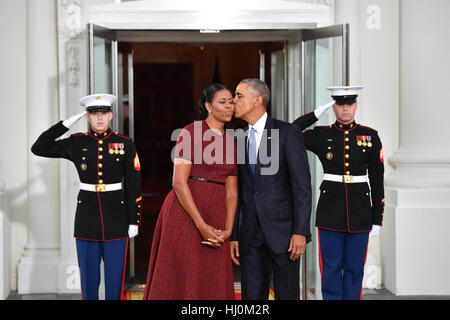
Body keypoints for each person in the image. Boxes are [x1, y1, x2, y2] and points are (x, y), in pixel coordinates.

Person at [31, 94, 142, 300]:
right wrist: (65, 125)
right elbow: (39, 148)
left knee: (115, 278)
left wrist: (133, 220)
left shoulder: (124, 143)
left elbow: (134, 184)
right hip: (87, 217)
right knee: (89, 280)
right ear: (87, 117)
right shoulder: (76, 142)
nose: (99, 118)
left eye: (103, 113)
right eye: (94, 114)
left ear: (110, 116)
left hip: (116, 217)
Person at [144, 84, 238, 300]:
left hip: (217, 215)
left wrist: (228, 229)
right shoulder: (190, 132)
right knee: (182, 273)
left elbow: (232, 192)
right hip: (185, 213)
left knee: (213, 275)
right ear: (208, 106)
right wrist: (201, 225)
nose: (229, 106)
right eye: (222, 102)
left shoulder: (233, 142)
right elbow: (178, 182)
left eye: (231, 101)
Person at [293, 86, 385, 300]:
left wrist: (377, 218)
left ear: (356, 105)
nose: (345, 109)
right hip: (330, 211)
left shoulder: (370, 136)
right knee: (331, 268)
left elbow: (377, 179)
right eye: (340, 104)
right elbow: (291, 132)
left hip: (361, 212)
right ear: (333, 106)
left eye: (350, 103)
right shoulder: (321, 135)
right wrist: (316, 114)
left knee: (355, 269)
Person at [230, 79, 312, 300]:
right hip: (250, 234)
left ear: (258, 100)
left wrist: (300, 231)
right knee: (251, 297)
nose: (233, 100)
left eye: (239, 96)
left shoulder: (287, 132)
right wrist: (235, 235)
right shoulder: (238, 138)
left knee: (286, 294)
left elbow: (302, 187)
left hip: (285, 234)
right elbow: (240, 190)